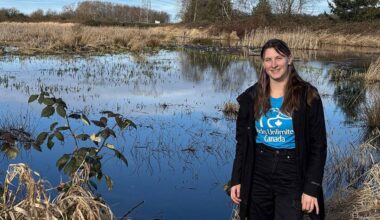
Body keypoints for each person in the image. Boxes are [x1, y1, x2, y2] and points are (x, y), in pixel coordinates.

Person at [229, 39, 327, 220]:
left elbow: (318, 146)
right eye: (268, 60)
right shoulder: (251, 97)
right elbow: (243, 143)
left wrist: (311, 188)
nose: (273, 65)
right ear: (263, 63)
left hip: (292, 171)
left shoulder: (308, 96)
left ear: (289, 59)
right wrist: (237, 178)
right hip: (258, 168)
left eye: (278, 58)